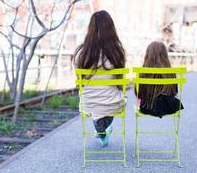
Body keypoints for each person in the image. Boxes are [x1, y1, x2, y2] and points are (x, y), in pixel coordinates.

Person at [73, 10, 126, 147]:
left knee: (97, 109)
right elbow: (118, 79)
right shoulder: (117, 51)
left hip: (88, 102)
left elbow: (79, 77)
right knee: (112, 103)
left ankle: (101, 130)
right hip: (112, 102)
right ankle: (102, 129)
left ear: (90, 29)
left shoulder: (81, 52)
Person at [135, 41, 184, 117]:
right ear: (165, 55)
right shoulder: (170, 72)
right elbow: (175, 92)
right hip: (168, 107)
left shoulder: (143, 72)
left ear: (148, 55)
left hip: (147, 107)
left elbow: (138, 94)